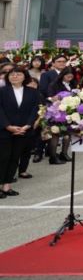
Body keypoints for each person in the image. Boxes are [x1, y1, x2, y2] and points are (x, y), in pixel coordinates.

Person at [0, 67, 43, 199]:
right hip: (4, 130)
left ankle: (7, 185)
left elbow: (35, 109)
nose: (15, 76)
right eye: (12, 74)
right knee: (3, 158)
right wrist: (8, 126)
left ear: (25, 77)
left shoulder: (33, 92)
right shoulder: (2, 91)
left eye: (18, 74)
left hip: (24, 130)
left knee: (15, 157)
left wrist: (28, 125)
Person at [46, 68, 78, 165]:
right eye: (67, 74)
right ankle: (53, 157)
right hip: (56, 112)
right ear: (62, 75)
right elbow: (50, 97)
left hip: (69, 112)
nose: (70, 76)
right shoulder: (54, 84)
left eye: (71, 74)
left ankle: (64, 153)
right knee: (55, 133)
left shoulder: (73, 84)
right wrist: (58, 99)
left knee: (68, 133)